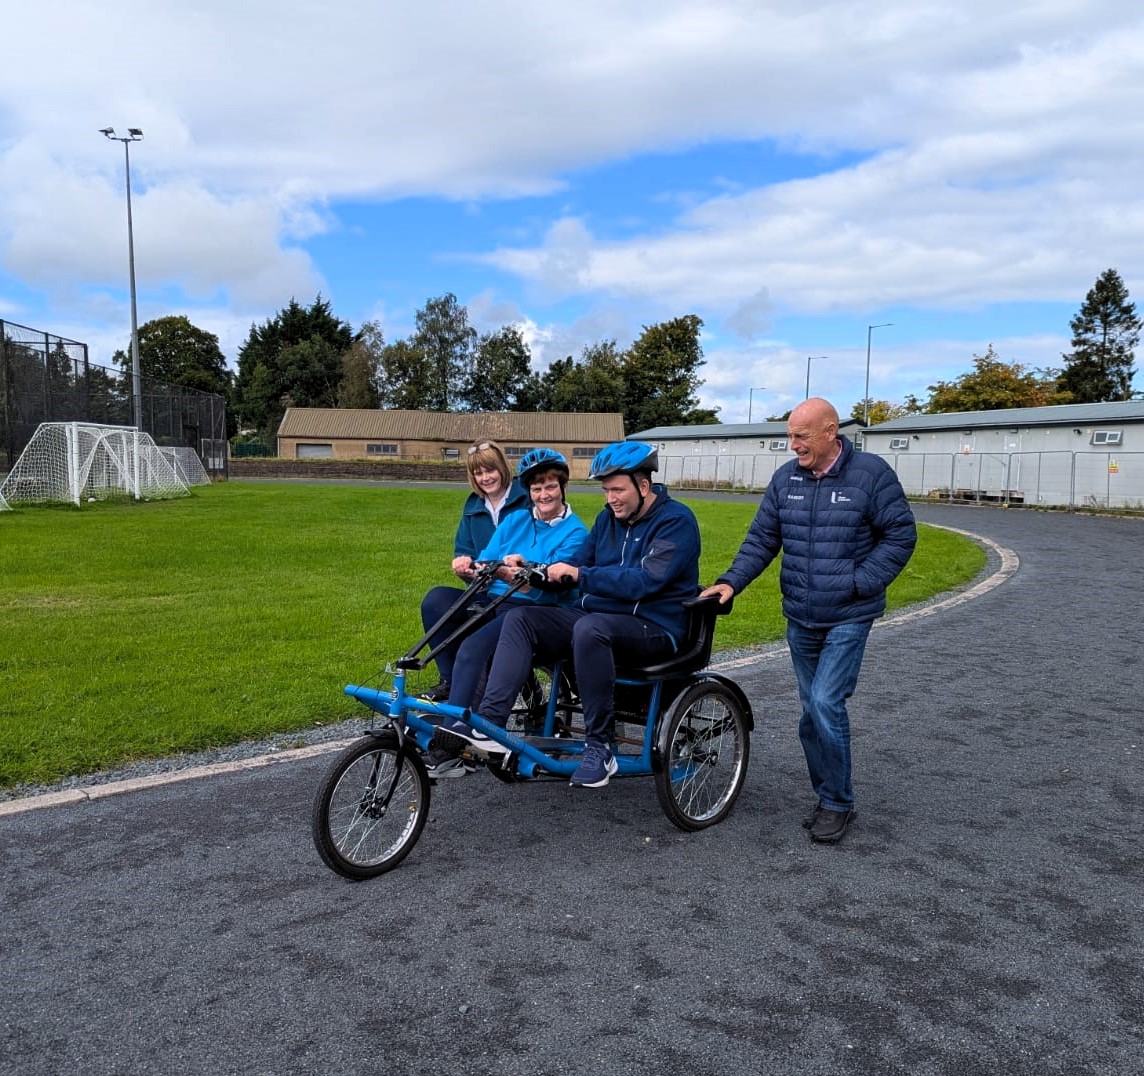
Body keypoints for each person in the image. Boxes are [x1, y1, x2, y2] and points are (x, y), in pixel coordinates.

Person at [701, 397, 917, 844]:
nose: (793, 445)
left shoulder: (871, 475)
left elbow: (901, 534)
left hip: (849, 614)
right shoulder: (786, 480)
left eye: (801, 435)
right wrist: (731, 583)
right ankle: (828, 796)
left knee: (825, 703)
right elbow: (762, 539)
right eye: (790, 435)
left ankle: (838, 803)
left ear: (830, 430)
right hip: (801, 613)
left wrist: (860, 582)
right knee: (810, 712)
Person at [434, 441, 701, 788]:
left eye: (617, 489)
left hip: (653, 624)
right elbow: (577, 563)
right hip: (598, 617)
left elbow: (647, 581)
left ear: (644, 486)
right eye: (606, 490)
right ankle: (490, 724)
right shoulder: (608, 520)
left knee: (590, 629)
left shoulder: (676, 521)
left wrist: (580, 575)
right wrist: (534, 569)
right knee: (521, 619)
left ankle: (600, 746)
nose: (610, 499)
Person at [423, 449, 589, 778]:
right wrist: (471, 568)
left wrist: (510, 572)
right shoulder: (515, 520)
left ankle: (449, 742)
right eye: (537, 489)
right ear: (529, 492)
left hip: (535, 608)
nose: (544, 495)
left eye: (551, 487)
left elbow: (544, 587)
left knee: (473, 648)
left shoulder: (576, 532)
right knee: (437, 600)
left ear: (563, 487)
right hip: (497, 599)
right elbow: (487, 559)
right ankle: (452, 688)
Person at [419, 440, 530, 700]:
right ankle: (449, 678)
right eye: (478, 473)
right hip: (485, 589)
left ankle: (478, 702)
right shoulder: (472, 506)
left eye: (489, 470)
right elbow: (464, 550)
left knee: (479, 643)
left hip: (518, 592)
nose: (485, 478)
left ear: (502, 468)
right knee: (436, 600)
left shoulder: (525, 499)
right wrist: (464, 568)